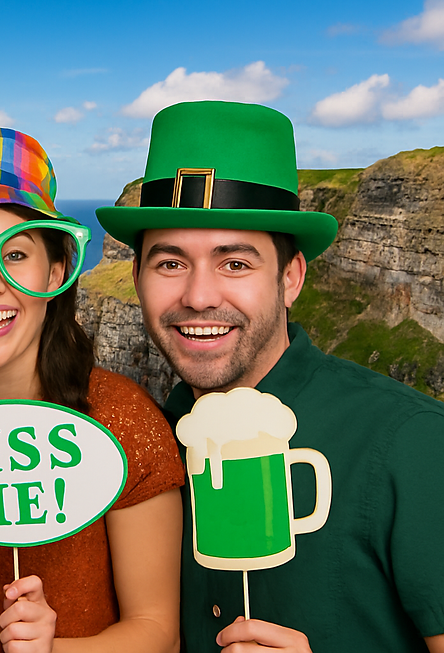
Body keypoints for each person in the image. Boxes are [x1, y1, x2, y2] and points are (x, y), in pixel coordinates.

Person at [96, 100, 444, 653]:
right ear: (135, 276)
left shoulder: (413, 442)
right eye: (170, 263)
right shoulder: (142, 451)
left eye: (235, 263)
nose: (199, 296)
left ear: (290, 278)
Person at [0, 127, 184, 653]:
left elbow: (158, 632)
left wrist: (52, 649)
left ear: (58, 269)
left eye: (16, 254)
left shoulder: (122, 420)